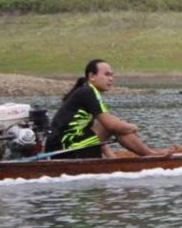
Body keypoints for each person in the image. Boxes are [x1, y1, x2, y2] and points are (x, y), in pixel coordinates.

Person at [45, 58, 173, 158]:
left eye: (112, 75)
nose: (111, 79)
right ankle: (151, 155)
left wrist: (111, 157)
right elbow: (111, 127)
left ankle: (144, 154)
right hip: (65, 149)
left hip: (66, 146)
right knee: (116, 125)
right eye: (106, 74)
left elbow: (98, 129)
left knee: (115, 123)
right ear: (92, 76)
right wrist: (133, 127)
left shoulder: (86, 91)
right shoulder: (88, 92)